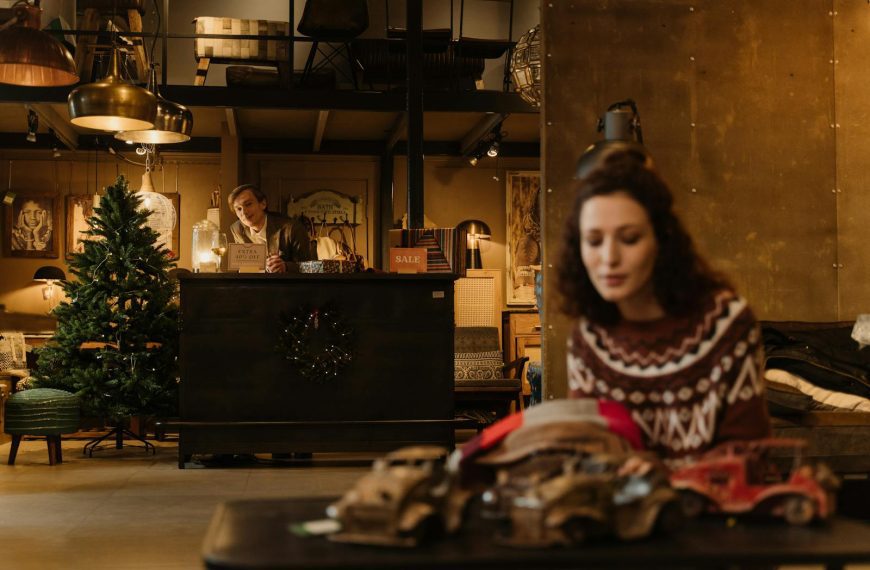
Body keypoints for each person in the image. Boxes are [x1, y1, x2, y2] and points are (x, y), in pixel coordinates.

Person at [556, 149, 770, 464]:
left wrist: (663, 475)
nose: (609, 258)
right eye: (594, 240)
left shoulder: (726, 323)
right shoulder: (588, 339)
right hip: (624, 511)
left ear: (662, 240)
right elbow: (593, 458)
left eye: (629, 239)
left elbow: (750, 455)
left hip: (712, 510)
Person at [228, 184, 313, 273]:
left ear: (263, 204)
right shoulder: (237, 229)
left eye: (248, 204)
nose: (244, 212)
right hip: (255, 285)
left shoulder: (292, 228)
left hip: (287, 285)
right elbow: (244, 268)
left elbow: (308, 267)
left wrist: (286, 267)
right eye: (239, 209)